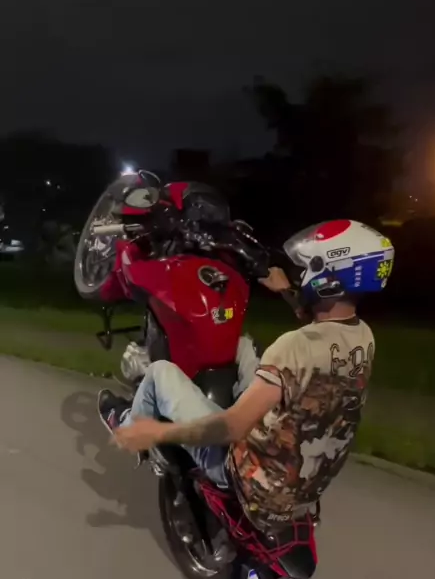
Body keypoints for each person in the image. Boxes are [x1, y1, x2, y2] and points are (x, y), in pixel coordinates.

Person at [98, 219, 394, 533]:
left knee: (160, 372)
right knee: (242, 345)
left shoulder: (293, 347)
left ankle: (129, 425)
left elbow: (232, 427)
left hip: (251, 483)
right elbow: (317, 329)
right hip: (303, 484)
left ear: (328, 279)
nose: (301, 274)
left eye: (309, 268)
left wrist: (158, 433)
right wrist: (287, 292)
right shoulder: (363, 337)